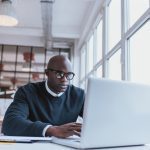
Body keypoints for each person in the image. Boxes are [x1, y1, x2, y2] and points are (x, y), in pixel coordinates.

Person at [2, 55, 85, 138]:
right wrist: (52, 130)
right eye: (59, 74)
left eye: (69, 75)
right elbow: (9, 123)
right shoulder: (27, 92)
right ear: (47, 73)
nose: (64, 79)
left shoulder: (79, 95)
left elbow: (96, 119)